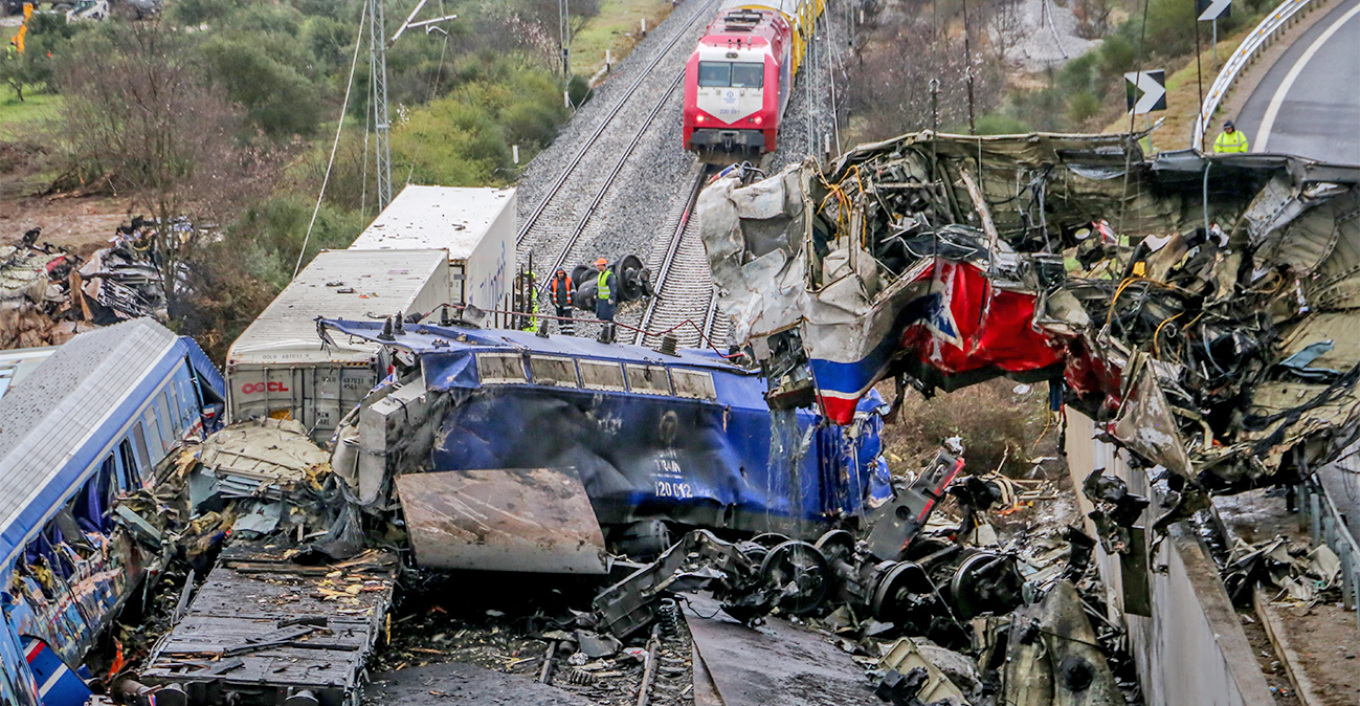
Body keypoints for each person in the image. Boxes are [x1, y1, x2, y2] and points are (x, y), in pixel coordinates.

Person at [594, 257, 618, 343]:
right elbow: (599, 286)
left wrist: (611, 298)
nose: (597, 267)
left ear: (602, 266)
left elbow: (613, 288)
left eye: (598, 265)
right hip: (601, 300)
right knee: (602, 318)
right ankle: (605, 335)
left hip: (607, 301)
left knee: (608, 318)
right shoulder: (600, 274)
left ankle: (609, 336)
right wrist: (596, 294)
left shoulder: (609, 276)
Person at [549, 267, 575, 335]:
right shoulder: (554, 282)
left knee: (568, 317)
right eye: (559, 273)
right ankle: (563, 331)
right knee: (560, 318)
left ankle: (570, 332)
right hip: (558, 304)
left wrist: (574, 303)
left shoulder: (569, 281)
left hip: (567, 303)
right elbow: (551, 293)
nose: (561, 275)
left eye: (562, 273)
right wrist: (553, 302)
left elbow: (573, 292)